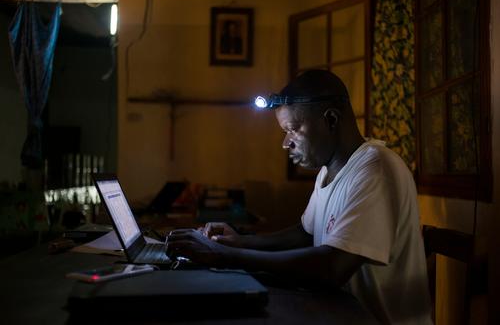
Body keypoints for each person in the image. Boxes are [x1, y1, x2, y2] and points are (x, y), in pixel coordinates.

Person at [166, 70, 432, 324]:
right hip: (340, 314)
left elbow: (332, 267)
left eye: (292, 129)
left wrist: (224, 255)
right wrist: (238, 242)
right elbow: (306, 233)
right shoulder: (330, 171)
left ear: (330, 120)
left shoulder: (377, 168)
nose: (285, 143)